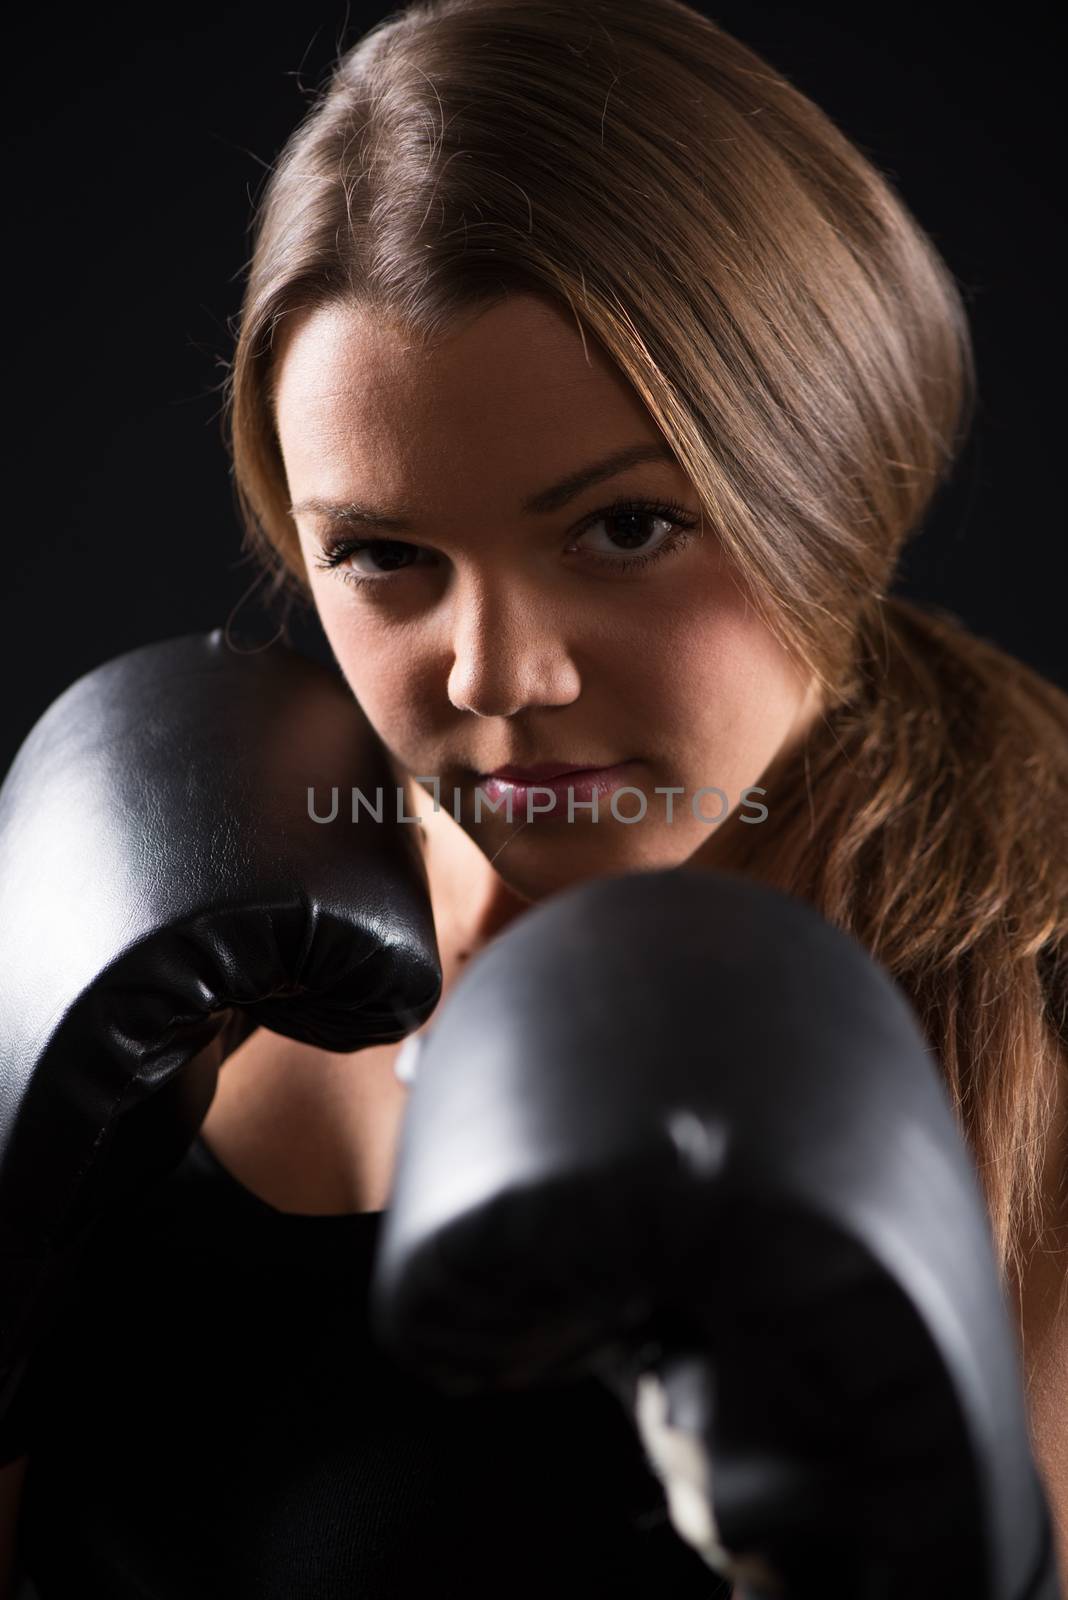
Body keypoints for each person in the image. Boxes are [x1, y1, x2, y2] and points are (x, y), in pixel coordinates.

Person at [2, 0, 1065, 1592]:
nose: (495, 677)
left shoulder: (1036, 1020)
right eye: (384, 557)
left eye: (625, 530)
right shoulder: (165, 952)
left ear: (831, 489)